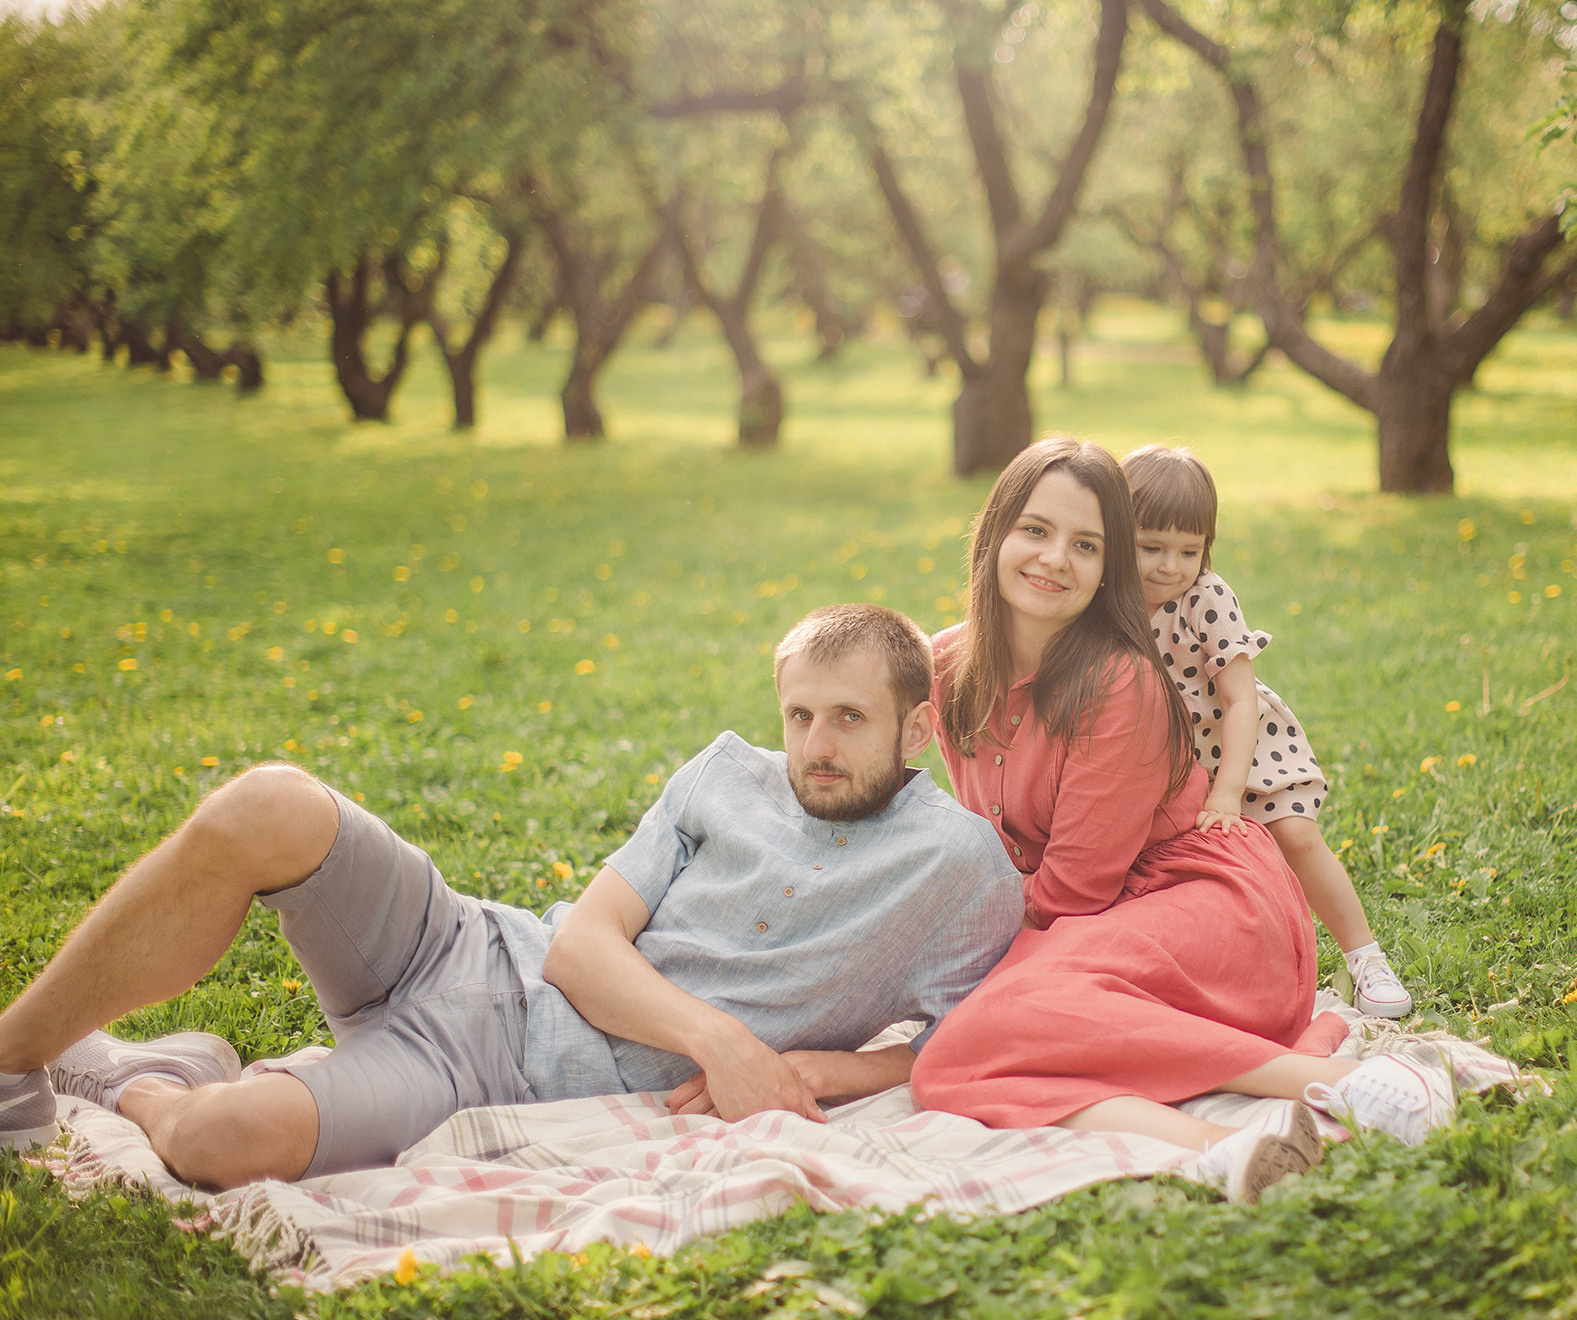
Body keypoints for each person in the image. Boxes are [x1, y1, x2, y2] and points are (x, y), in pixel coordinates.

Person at [0, 604, 1022, 1187]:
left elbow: (962, 1043)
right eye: (799, 715)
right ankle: (10, 1054)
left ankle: (136, 1079)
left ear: (915, 730)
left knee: (220, 1140)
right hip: (467, 946)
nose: (816, 746)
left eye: (848, 718)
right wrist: (725, 1044)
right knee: (270, 803)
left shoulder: (957, 867)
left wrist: (819, 1069)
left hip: (483, 1072)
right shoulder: (723, 773)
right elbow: (579, 947)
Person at [907, 437, 1455, 1205]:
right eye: (1035, 529)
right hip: (1090, 923)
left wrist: (957, 930)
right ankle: (1220, 1148)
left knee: (1001, 1014)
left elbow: (1071, 890)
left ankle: (1339, 1078)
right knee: (948, 1065)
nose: (1055, 558)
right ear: (994, 531)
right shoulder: (943, 665)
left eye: (1086, 544)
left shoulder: (1120, 681)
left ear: (1110, 568)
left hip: (1206, 904)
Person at [1121, 444, 1413, 1018]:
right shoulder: (1111, 602)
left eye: (1189, 550)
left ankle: (1365, 958)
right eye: (1150, 547)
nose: (1170, 566)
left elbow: (1239, 699)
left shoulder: (1206, 598)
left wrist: (1229, 789)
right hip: (1163, 768)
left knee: (1296, 837)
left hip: (1241, 749)